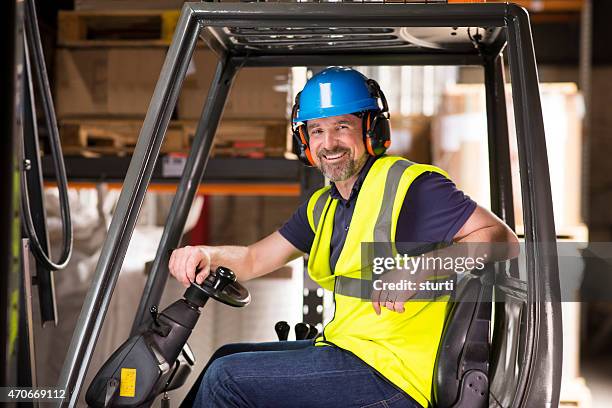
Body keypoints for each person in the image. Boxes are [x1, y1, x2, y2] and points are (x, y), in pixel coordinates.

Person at [170, 66, 519, 408]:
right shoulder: (324, 206)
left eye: (342, 126)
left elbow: (502, 240)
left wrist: (423, 267)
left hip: (395, 376)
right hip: (350, 353)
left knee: (226, 378)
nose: (329, 143)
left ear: (371, 130)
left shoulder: (411, 186)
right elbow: (252, 259)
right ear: (305, 141)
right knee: (227, 356)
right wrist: (205, 254)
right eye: (317, 130)